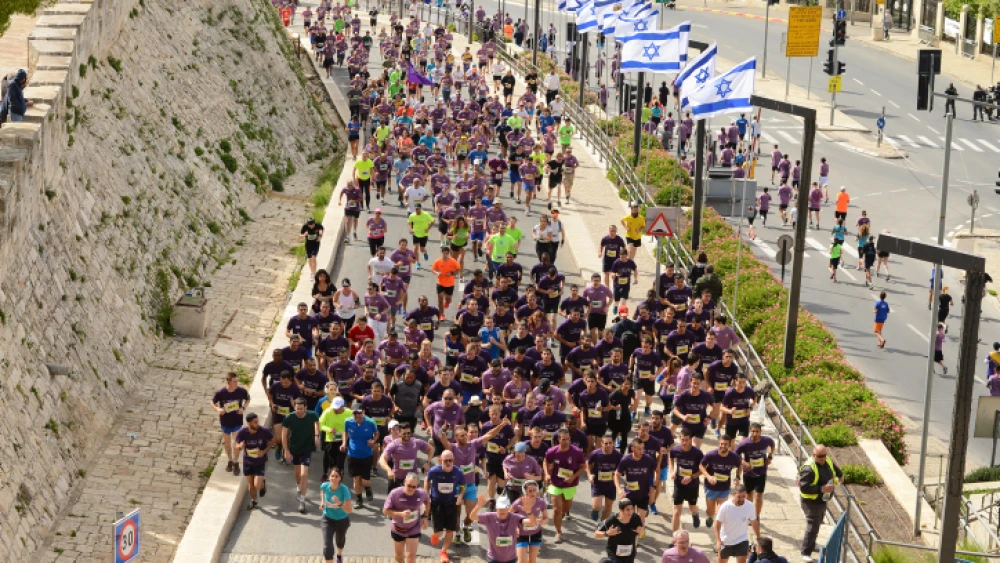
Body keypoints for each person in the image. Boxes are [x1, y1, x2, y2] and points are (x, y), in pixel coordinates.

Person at [798, 445, 843, 562]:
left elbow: (833, 466)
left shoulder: (826, 460)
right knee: (812, 526)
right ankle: (805, 551)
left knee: (818, 523)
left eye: (824, 455)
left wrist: (840, 474)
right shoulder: (809, 469)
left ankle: (812, 544)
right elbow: (804, 488)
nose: (823, 458)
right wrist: (822, 489)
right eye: (820, 456)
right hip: (811, 502)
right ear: (814, 455)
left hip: (822, 500)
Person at [543, 428, 586, 544]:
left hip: (570, 485)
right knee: (557, 508)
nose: (566, 441)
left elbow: (583, 466)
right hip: (555, 483)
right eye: (563, 439)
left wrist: (574, 476)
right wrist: (547, 474)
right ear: (558, 439)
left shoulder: (577, 452)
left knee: (565, 508)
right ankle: (558, 532)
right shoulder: (552, 451)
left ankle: (560, 518)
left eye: (568, 439)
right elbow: (545, 460)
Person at [425, 450, 466, 562]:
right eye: (445, 460)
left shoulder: (458, 472)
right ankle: (435, 535)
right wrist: (426, 495)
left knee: (449, 530)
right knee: (439, 532)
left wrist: (461, 496)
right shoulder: (434, 471)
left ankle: (443, 552)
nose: (448, 463)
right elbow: (427, 480)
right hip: (437, 503)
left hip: (451, 503)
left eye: (450, 460)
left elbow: (463, 485)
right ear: (440, 460)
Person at [283, 398, 321, 513]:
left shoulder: (312, 415)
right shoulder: (289, 418)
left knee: (304, 473)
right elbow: (284, 435)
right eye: (297, 408)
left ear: (305, 407)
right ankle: (298, 487)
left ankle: (302, 500)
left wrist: (316, 435)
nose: (299, 411)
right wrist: (286, 451)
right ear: (294, 407)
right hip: (294, 447)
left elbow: (316, 422)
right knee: (297, 472)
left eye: (301, 408)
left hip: (307, 448)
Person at [382, 472, 431, 563]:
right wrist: (401, 514)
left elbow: (427, 501)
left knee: (410, 557)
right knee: (399, 557)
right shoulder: (395, 493)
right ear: (404, 482)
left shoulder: (421, 493)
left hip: (414, 528)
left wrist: (425, 516)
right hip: (398, 528)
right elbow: (385, 511)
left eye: (414, 487)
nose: (411, 489)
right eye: (409, 486)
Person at [469, 494, 528, 563]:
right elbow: (472, 517)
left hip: (511, 559)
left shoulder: (515, 517)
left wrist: (529, 512)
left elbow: (530, 523)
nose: (501, 511)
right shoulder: (489, 516)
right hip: (493, 558)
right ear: (496, 508)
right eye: (500, 508)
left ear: (508, 508)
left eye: (504, 508)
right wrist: (478, 506)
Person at [212, 371, 251, 476]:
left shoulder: (241, 391)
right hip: (225, 422)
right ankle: (229, 460)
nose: (237, 383)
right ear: (228, 381)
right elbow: (212, 402)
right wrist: (218, 409)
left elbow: (248, 399)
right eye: (234, 381)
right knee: (227, 443)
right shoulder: (221, 392)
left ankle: (236, 462)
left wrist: (243, 408)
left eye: (237, 381)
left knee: (236, 443)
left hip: (237, 421)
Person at [233, 412, 273, 510]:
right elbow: (236, 444)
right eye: (255, 422)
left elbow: (273, 440)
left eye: (257, 421)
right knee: (251, 485)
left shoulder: (264, 431)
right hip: (248, 461)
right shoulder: (243, 432)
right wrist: (239, 446)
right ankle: (254, 500)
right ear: (249, 423)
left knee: (257, 486)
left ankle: (262, 484)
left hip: (260, 462)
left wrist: (264, 451)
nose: (257, 423)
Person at [735, 422, 775, 518]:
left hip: (761, 472)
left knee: (759, 496)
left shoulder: (766, 440)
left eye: (757, 431)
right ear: (750, 431)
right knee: (749, 495)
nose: (755, 434)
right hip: (748, 473)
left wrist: (770, 457)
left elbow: (772, 445)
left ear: (761, 432)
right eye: (753, 431)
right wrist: (743, 462)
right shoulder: (745, 444)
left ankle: (756, 516)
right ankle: (749, 514)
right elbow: (735, 454)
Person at [342, 406, 378, 508]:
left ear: (363, 412)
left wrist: (373, 440)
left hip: (366, 455)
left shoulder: (371, 422)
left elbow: (376, 433)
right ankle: (359, 499)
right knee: (356, 479)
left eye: (359, 413)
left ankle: (368, 488)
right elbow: (345, 432)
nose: (357, 416)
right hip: (353, 455)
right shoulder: (348, 422)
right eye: (354, 414)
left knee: (365, 481)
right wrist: (344, 443)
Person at [714, 484, 760, 562]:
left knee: (742, 561)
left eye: (744, 496)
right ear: (734, 494)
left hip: (742, 539)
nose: (742, 499)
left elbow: (754, 522)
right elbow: (717, 524)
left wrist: (759, 537)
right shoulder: (725, 507)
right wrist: (718, 540)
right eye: (739, 496)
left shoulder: (750, 506)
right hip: (725, 540)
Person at [594, 498, 645, 563]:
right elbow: (596, 533)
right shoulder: (612, 520)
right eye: (628, 509)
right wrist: (607, 533)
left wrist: (641, 532)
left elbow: (641, 533)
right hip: (614, 553)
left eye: (632, 509)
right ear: (621, 510)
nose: (631, 512)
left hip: (630, 554)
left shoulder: (636, 518)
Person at [319, 467, 353, 563]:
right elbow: (322, 491)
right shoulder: (325, 485)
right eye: (332, 476)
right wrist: (322, 502)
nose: (334, 478)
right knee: (327, 545)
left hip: (342, 520)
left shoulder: (344, 490)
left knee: (340, 541)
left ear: (340, 478)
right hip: (327, 519)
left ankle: (339, 555)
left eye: (336, 476)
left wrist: (339, 504)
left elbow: (349, 510)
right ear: (329, 477)